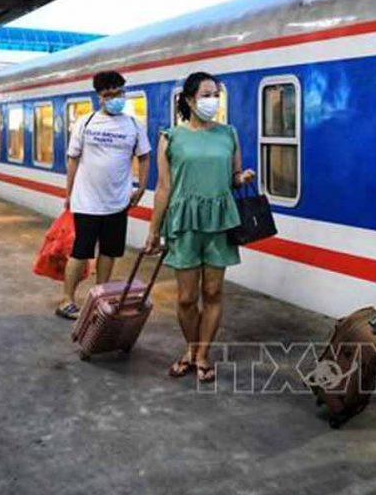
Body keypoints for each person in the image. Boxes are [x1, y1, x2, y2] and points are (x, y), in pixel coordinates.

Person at [143, 72, 255, 383]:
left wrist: (242, 178)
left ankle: (202, 354)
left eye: (216, 94)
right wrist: (154, 230)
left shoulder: (229, 134)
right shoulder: (170, 137)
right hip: (184, 223)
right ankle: (191, 348)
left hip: (219, 220)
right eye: (207, 94)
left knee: (213, 292)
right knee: (186, 298)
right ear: (190, 100)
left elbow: (233, 177)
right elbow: (163, 188)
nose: (213, 100)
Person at [55, 70, 151, 319]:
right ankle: (67, 300)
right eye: (109, 95)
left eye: (119, 93)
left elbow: (144, 156)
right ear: (99, 96)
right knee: (80, 252)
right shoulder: (85, 122)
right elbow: (73, 159)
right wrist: (69, 193)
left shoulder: (134, 125)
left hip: (118, 202)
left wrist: (141, 187)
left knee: (109, 252)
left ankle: (99, 297)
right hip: (86, 202)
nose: (115, 98)